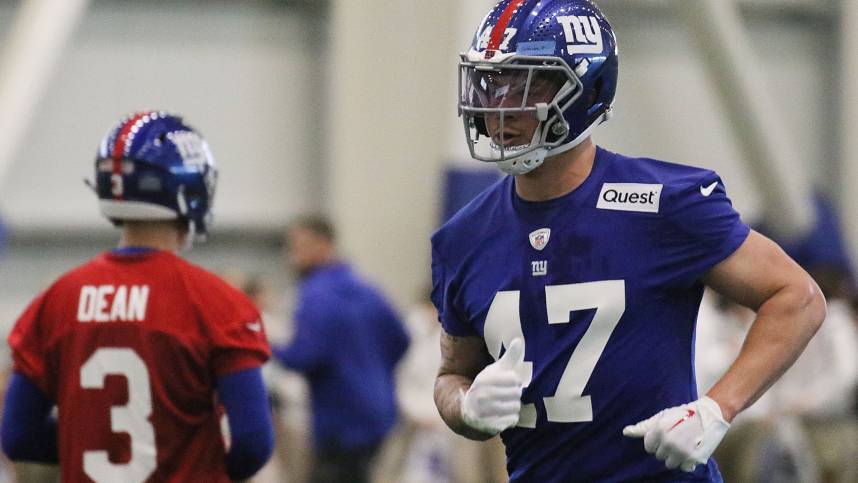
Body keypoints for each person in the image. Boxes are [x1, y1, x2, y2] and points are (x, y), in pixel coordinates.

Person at [430, 1, 827, 482]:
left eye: (526, 83)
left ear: (586, 89)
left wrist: (716, 409)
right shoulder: (462, 237)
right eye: (493, 83)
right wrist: (467, 408)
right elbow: (453, 375)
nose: (499, 106)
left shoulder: (664, 204)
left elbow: (797, 297)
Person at [0, 111, 274, 482]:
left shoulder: (56, 300)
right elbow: (253, 443)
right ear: (190, 189)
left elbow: (18, 435)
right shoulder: (218, 302)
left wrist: (94, 446)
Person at [273, 216, 410, 483]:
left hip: (340, 422)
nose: (292, 258)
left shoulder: (315, 293)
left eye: (299, 248)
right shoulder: (368, 289)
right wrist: (376, 373)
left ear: (323, 245)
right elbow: (401, 340)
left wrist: (268, 347)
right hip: (379, 414)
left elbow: (305, 355)